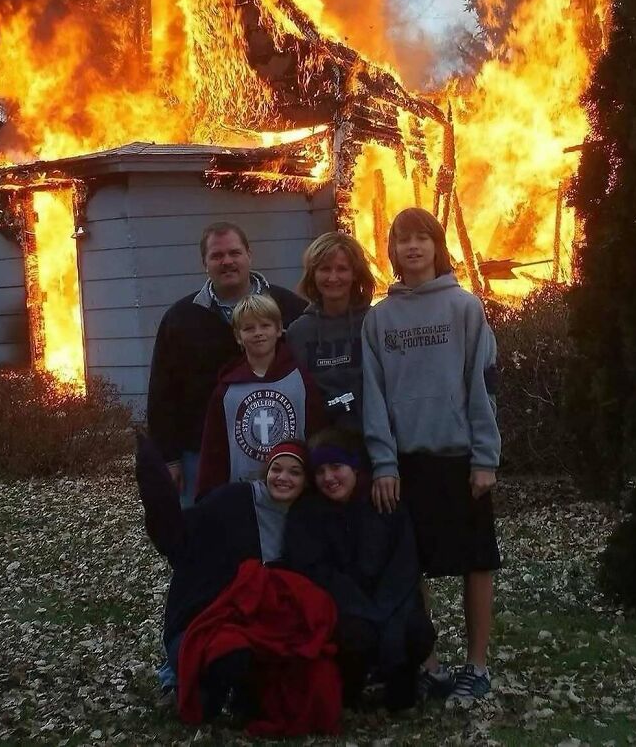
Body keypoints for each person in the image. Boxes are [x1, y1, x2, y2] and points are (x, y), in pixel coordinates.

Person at [361, 207, 501, 703]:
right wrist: (383, 462)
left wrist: (485, 457)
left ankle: (477, 664)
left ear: (437, 246)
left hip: (459, 455)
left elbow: (480, 387)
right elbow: (374, 397)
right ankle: (430, 663)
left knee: (476, 560)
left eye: (422, 238)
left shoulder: (465, 308)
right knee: (410, 565)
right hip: (406, 461)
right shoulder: (378, 319)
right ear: (393, 252)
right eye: (402, 240)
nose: (412, 248)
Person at [135, 435, 341, 735]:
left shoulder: (309, 517)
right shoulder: (232, 501)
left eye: (294, 472)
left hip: (273, 622)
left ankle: (250, 698)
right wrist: (156, 489)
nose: (283, 478)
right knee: (226, 653)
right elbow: (178, 539)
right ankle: (206, 689)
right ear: (266, 471)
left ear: (306, 481)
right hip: (217, 614)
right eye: (276, 469)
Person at [147, 221, 306, 509]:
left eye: (234, 253)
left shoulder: (289, 308)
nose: (227, 262)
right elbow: (162, 392)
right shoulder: (182, 319)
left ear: (249, 255)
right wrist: (168, 458)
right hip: (201, 452)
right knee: (208, 535)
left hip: (277, 451)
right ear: (204, 263)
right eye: (217, 256)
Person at [284, 428, 435, 713]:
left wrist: (385, 614)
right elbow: (316, 572)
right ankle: (348, 687)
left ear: (354, 467)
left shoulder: (385, 503)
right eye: (320, 471)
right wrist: (365, 612)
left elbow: (404, 565)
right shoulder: (306, 514)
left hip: (388, 604)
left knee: (415, 632)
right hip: (343, 607)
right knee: (355, 635)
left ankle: (400, 686)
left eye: (336, 467)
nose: (328, 477)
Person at [195, 293, 325, 499]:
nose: (258, 333)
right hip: (244, 495)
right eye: (249, 328)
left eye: (265, 325)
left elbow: (316, 434)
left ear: (278, 329)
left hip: (298, 495)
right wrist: (208, 496)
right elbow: (214, 449)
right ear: (238, 336)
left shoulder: (300, 380)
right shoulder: (227, 390)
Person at [287, 232, 376, 430]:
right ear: (313, 274)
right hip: (320, 439)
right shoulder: (298, 332)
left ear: (355, 274)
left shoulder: (374, 323)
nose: (333, 277)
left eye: (342, 269)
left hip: (370, 435)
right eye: (324, 269)